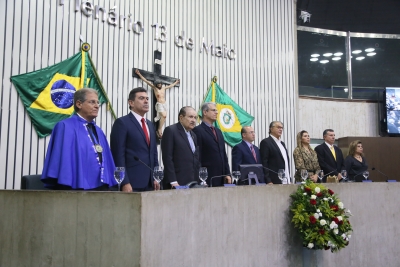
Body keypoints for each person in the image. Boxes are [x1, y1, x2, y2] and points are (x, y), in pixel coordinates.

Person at [41, 88, 116, 190]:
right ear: (79, 104)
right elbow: (61, 161)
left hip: (101, 187)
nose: (97, 106)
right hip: (75, 187)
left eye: (97, 102)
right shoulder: (65, 126)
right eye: (92, 102)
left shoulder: (98, 131)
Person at [110, 87, 159, 192]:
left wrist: (156, 177)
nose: (146, 101)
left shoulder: (150, 124)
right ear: (131, 103)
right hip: (132, 182)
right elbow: (118, 155)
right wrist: (124, 182)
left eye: (147, 98)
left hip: (150, 183)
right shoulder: (122, 123)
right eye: (141, 98)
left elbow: (153, 153)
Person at [193, 102, 232, 186]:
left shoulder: (218, 131)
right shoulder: (198, 131)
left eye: (217, 110)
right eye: (213, 110)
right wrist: (200, 178)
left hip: (222, 177)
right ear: (205, 112)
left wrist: (228, 173)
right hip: (207, 177)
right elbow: (197, 157)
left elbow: (223, 154)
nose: (217, 112)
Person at [161, 106, 200, 189]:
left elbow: (195, 159)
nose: (193, 120)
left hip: (193, 182)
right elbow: (167, 158)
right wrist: (173, 181)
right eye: (190, 117)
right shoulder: (171, 131)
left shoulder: (194, 135)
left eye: (195, 118)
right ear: (181, 118)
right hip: (177, 183)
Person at [135, 69, 180, 138]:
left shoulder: (163, 88)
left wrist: (176, 82)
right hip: (159, 104)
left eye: (160, 84)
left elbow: (171, 86)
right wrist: (139, 74)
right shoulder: (155, 88)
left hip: (164, 104)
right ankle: (159, 129)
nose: (159, 85)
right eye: (158, 84)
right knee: (164, 116)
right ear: (156, 85)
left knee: (164, 117)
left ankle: (159, 129)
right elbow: (146, 81)